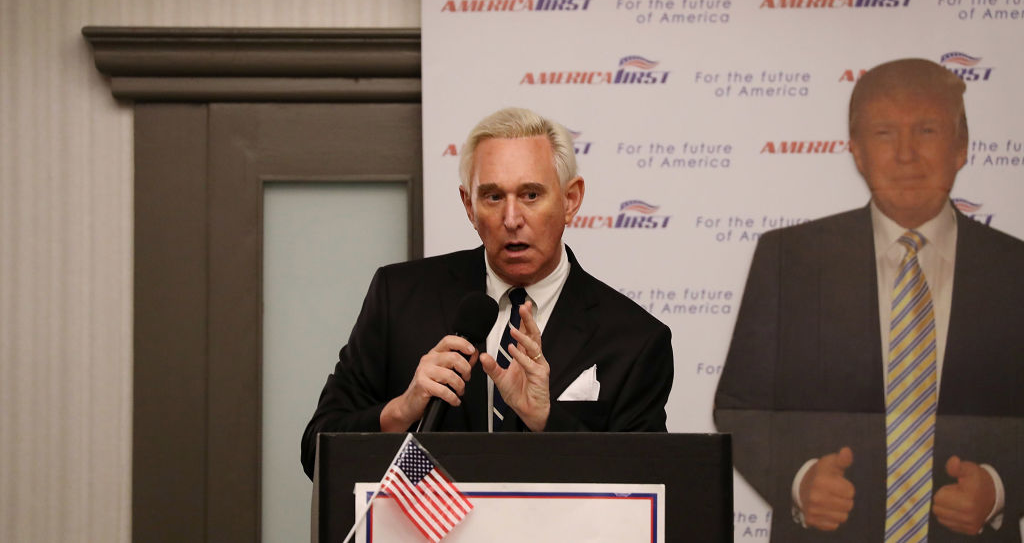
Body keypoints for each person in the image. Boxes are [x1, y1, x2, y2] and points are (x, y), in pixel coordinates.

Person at [715, 58, 1024, 541]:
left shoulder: (1015, 271)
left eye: (926, 130)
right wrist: (797, 481)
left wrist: (1002, 491)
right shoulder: (790, 259)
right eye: (883, 133)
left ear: (961, 147)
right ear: (856, 151)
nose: (905, 154)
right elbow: (740, 408)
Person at [302, 106, 673, 479]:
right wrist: (402, 409)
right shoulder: (400, 297)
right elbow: (316, 450)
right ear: (469, 205)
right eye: (493, 197)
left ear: (570, 199)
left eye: (531, 195)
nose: (511, 219)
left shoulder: (634, 340)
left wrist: (549, 421)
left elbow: (644, 488)